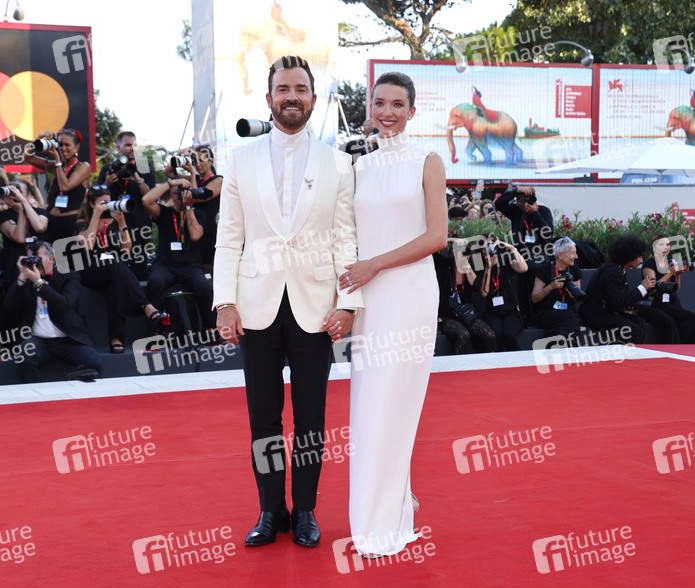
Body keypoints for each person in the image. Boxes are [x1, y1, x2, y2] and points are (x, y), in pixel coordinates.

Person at [212, 55, 363, 549]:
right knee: (263, 419)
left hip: (315, 308)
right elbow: (228, 238)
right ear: (269, 97)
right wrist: (224, 302)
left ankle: (306, 511)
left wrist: (348, 303)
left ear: (313, 99)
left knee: (311, 420)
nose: (291, 97)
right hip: (255, 304)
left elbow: (345, 239)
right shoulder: (240, 160)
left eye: (300, 89)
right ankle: (270, 510)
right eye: (283, 89)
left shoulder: (339, 164)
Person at [339, 71, 447, 558]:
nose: (387, 112)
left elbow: (437, 237)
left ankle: (386, 517)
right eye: (379, 103)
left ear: (412, 110)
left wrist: (375, 264)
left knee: (392, 405)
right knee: (368, 408)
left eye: (397, 104)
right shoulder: (358, 167)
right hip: (369, 299)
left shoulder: (428, 160)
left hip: (409, 295)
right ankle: (394, 503)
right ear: (370, 108)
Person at [75, 187, 164, 353]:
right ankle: (145, 305)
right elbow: (87, 245)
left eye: (109, 202)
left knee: (116, 282)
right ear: (93, 204)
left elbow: (126, 249)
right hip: (91, 271)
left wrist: (122, 223)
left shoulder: (114, 221)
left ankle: (116, 339)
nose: (107, 206)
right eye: (103, 203)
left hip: (113, 271)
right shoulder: (82, 222)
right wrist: (96, 215)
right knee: (116, 265)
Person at [5, 241, 102, 382]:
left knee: (94, 361)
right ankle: (32, 391)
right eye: (31, 259)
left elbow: (64, 304)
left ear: (51, 258)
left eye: (38, 259)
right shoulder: (27, 280)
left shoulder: (68, 276)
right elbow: (9, 305)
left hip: (67, 340)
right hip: (38, 340)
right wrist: (21, 277)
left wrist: (39, 283)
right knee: (25, 352)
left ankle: (72, 385)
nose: (34, 264)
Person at [142, 178, 214, 333]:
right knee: (154, 283)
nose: (182, 195)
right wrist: (171, 183)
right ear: (171, 196)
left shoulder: (198, 214)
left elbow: (195, 235)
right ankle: (155, 332)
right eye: (178, 193)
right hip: (165, 265)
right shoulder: (164, 212)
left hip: (190, 266)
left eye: (185, 192)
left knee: (203, 286)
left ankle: (209, 328)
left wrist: (188, 208)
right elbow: (146, 200)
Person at [96, 131, 154, 280]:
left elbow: (151, 196)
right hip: (113, 223)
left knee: (138, 268)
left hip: (139, 225)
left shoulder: (144, 168)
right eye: (128, 145)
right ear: (118, 148)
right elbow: (96, 198)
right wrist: (106, 184)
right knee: (116, 266)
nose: (132, 148)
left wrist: (138, 180)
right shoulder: (109, 168)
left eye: (135, 145)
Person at [580, 235, 655, 345]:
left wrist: (628, 305)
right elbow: (618, 301)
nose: (641, 260)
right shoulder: (613, 272)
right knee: (635, 331)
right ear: (630, 256)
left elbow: (617, 299)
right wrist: (643, 287)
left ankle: (634, 352)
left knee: (639, 322)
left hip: (605, 311)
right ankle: (623, 354)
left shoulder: (617, 269)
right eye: (639, 257)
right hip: (595, 315)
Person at [23, 128, 91, 244]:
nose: (63, 148)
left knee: (69, 256)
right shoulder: (57, 166)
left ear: (77, 147)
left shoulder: (83, 166)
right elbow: (27, 157)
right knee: (50, 255)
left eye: (67, 145)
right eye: (60, 144)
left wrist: (57, 161)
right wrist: (39, 138)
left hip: (70, 223)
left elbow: (65, 187)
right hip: (51, 221)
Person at [640, 233, 695, 344]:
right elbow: (652, 286)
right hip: (653, 306)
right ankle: (674, 350)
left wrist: (677, 274)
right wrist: (670, 272)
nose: (665, 248)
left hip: (668, 305)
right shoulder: (649, 265)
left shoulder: (669, 263)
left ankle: (689, 350)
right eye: (662, 245)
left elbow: (675, 290)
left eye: (668, 245)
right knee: (669, 322)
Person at [471, 234, 528, 351]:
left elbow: (523, 268)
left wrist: (512, 249)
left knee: (509, 334)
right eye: (484, 248)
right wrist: (488, 267)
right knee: (495, 334)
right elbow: (484, 293)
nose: (487, 251)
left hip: (511, 310)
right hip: (492, 311)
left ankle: (518, 360)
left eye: (490, 247)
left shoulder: (505, 259)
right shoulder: (479, 263)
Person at [0, 182, 50, 288]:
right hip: (14, 263)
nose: (14, 195)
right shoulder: (4, 215)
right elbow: (20, 238)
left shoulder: (40, 212)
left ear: (28, 195)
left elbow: (39, 227)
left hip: (39, 260)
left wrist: (24, 202)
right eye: (11, 192)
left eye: (18, 191)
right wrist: (20, 210)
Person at [530, 237, 585, 338]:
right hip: (547, 311)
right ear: (560, 255)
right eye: (572, 253)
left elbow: (577, 299)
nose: (576, 257)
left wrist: (572, 292)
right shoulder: (545, 269)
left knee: (568, 322)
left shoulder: (574, 270)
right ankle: (568, 344)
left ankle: (559, 342)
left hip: (568, 312)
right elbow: (534, 298)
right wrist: (550, 287)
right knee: (571, 320)